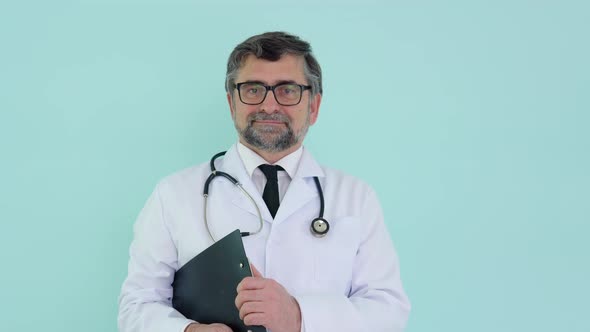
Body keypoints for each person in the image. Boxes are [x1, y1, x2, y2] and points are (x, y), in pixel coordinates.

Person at [118, 31, 410, 332]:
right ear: (232, 103)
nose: (269, 106)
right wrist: (188, 331)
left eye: (287, 90)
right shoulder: (174, 194)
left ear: (313, 106)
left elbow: (388, 310)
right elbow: (136, 305)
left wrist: (298, 317)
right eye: (254, 89)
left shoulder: (356, 197)